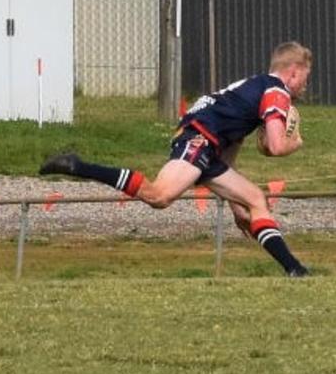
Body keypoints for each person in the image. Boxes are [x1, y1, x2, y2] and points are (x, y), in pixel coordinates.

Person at [39, 41, 312, 277]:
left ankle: (295, 269)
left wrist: (236, 206)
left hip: (208, 144)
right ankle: (78, 166)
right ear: (293, 72)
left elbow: (229, 156)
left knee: (255, 200)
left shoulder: (252, 91)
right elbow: (276, 146)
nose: (305, 86)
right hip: (199, 139)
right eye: (305, 78)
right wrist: (295, 143)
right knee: (159, 196)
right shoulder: (277, 92)